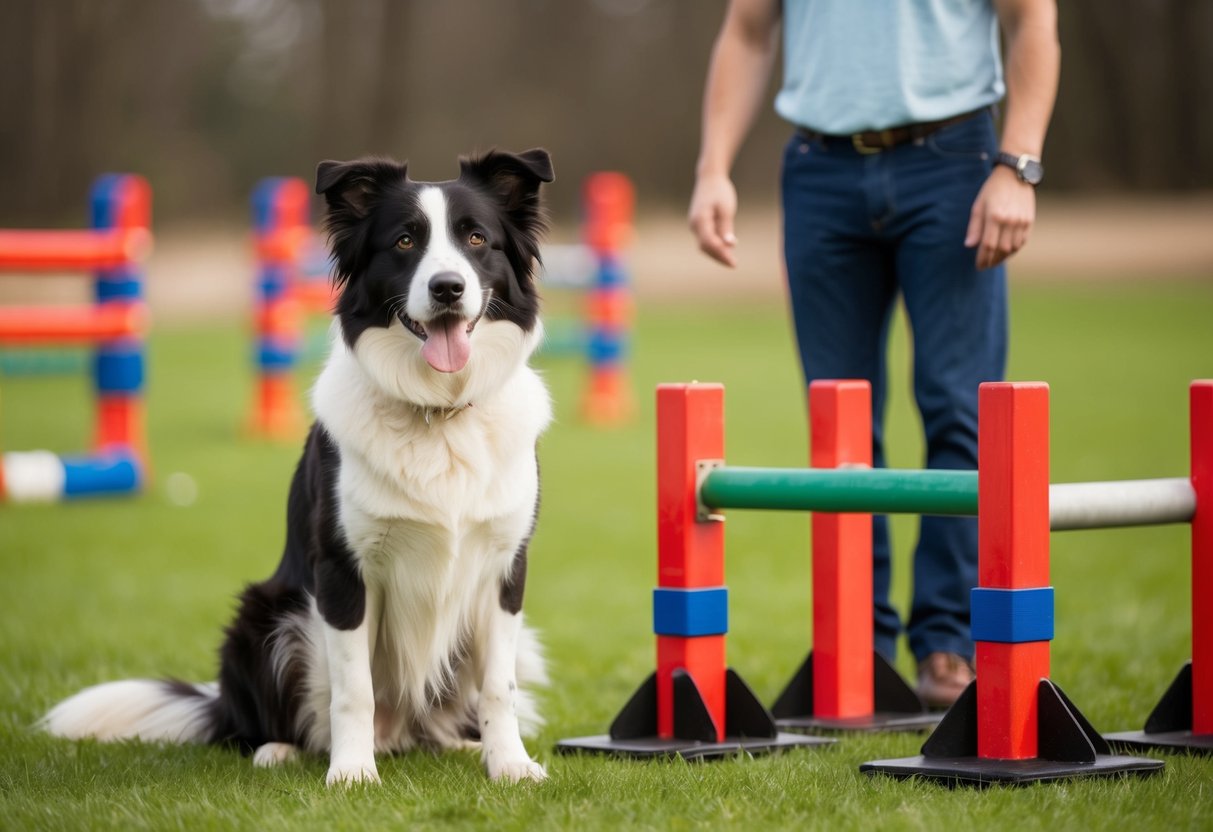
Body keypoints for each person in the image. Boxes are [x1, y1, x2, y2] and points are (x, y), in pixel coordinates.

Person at [688, 0, 1060, 707]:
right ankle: (857, 651)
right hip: (818, 170)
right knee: (839, 427)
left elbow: (1032, 22)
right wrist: (713, 168)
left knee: (960, 409)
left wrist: (1018, 162)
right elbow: (746, 29)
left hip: (954, 163)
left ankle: (948, 646)